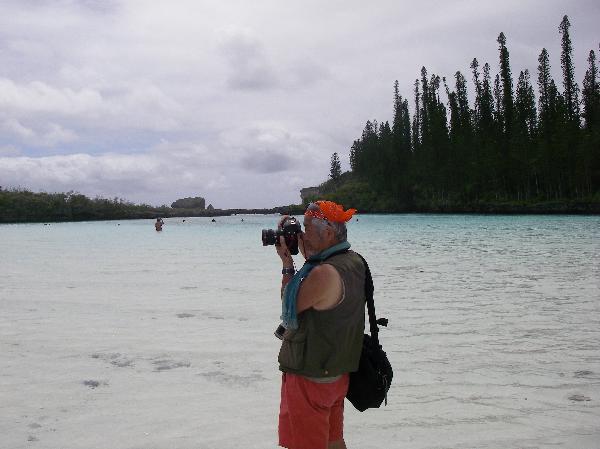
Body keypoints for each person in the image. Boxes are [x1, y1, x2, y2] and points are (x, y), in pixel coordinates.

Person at [274, 200, 365, 449]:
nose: (302, 235)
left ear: (326, 232)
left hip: (310, 377)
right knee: (333, 441)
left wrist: (287, 264)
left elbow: (288, 307)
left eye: (306, 228)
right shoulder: (354, 262)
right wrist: (309, 255)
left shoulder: (322, 273)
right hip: (337, 372)